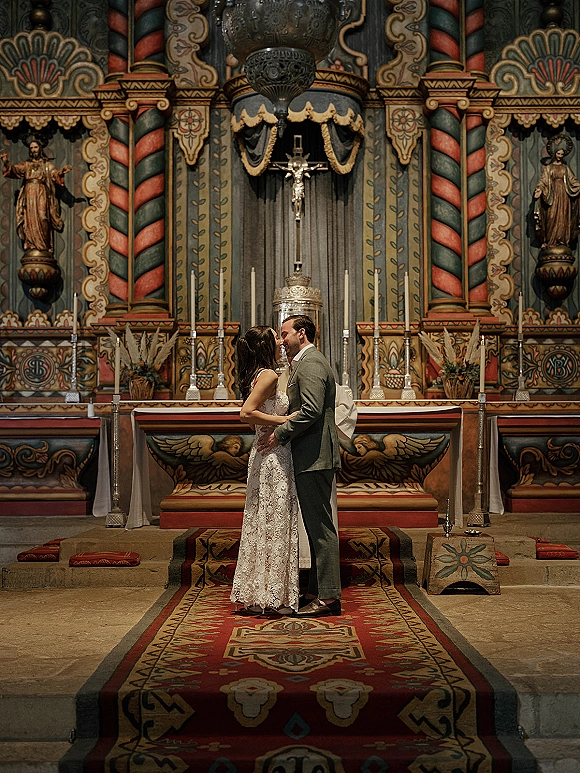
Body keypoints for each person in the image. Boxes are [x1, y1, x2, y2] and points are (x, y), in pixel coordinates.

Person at [258, 315, 342, 617]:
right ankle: (317, 590)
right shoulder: (306, 362)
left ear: (301, 334)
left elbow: (311, 410)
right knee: (315, 524)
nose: (281, 341)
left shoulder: (311, 363)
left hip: (315, 455)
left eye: (285, 334)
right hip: (310, 454)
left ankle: (329, 597)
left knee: (320, 528)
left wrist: (279, 435)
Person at [231, 326, 300, 615]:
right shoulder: (269, 375)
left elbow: (252, 418)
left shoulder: (258, 375)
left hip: (264, 454)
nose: (280, 341)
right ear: (264, 346)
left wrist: (267, 425)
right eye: (275, 338)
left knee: (264, 521)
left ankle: (263, 590)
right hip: (274, 456)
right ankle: (273, 594)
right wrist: (283, 419)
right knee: (275, 520)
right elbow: (246, 413)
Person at [0, 136, 71, 255]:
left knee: (43, 217)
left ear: (40, 149)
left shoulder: (46, 165)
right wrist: (6, 161)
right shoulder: (26, 165)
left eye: (36, 147)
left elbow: (54, 174)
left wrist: (61, 172)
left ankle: (44, 246)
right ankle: (32, 244)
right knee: (29, 219)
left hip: (41, 191)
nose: (33, 150)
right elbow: (14, 170)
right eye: (31, 148)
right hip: (29, 193)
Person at [533, 135, 580, 250]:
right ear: (555, 154)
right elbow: (543, 181)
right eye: (558, 154)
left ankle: (563, 240)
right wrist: (539, 189)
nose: (560, 156)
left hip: (564, 195)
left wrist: (578, 186)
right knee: (552, 216)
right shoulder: (549, 168)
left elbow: (572, 180)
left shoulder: (565, 168)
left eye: (562, 154)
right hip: (552, 195)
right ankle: (550, 240)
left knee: (563, 217)